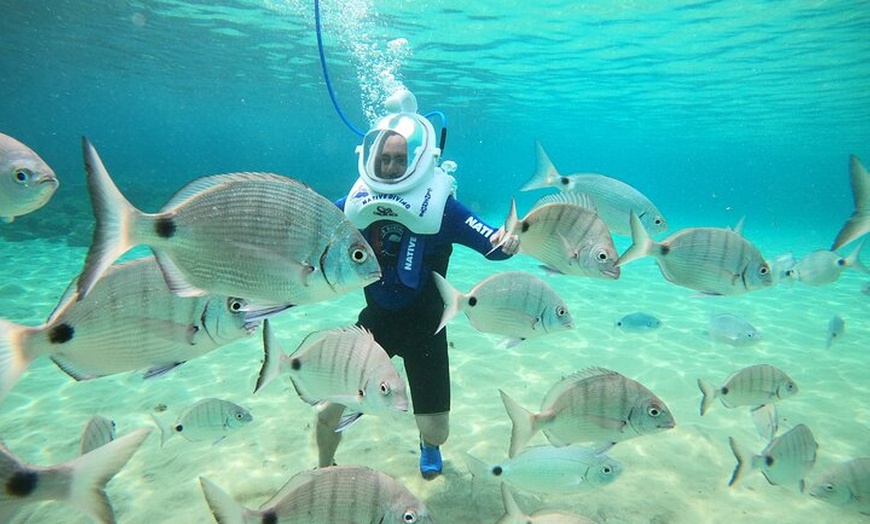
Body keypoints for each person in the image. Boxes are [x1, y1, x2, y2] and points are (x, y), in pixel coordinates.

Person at [321, 89, 519, 480]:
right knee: (327, 412)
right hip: (375, 322)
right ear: (372, 160)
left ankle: (427, 444)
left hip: (427, 326)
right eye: (385, 159)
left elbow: (493, 248)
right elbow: (315, 223)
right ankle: (324, 469)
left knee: (437, 431)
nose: (392, 166)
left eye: (400, 159)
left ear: (416, 160)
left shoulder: (442, 206)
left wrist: (509, 240)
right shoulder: (355, 201)